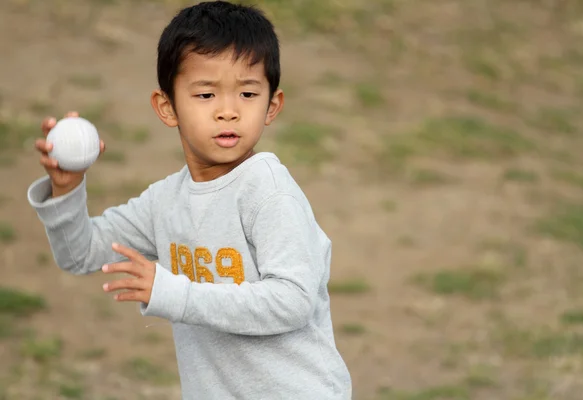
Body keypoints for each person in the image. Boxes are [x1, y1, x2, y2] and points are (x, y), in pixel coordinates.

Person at [26, 1, 352, 399]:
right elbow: (79, 254)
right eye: (205, 94)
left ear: (273, 105)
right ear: (167, 107)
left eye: (248, 93)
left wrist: (175, 294)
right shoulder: (165, 202)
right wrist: (67, 189)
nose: (228, 111)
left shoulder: (268, 191)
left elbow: (292, 301)